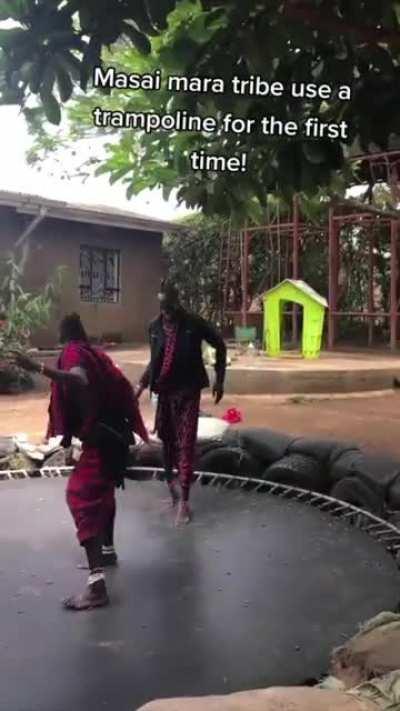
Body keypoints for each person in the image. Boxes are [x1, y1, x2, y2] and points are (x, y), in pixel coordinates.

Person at [13, 313, 148, 611]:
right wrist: (67, 437)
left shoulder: (73, 353)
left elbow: (79, 380)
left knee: (80, 496)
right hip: (113, 436)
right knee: (105, 495)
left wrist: (36, 366)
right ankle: (108, 552)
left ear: (64, 333)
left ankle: (96, 586)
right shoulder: (91, 352)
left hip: (104, 440)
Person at [136, 281, 226, 525]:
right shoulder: (154, 327)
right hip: (164, 393)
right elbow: (155, 361)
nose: (168, 314)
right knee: (166, 441)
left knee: (186, 443)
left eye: (172, 308)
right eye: (165, 309)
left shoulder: (193, 323)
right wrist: (140, 386)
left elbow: (219, 343)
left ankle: (185, 499)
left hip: (188, 391)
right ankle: (172, 491)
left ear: (177, 304)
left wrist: (220, 378)